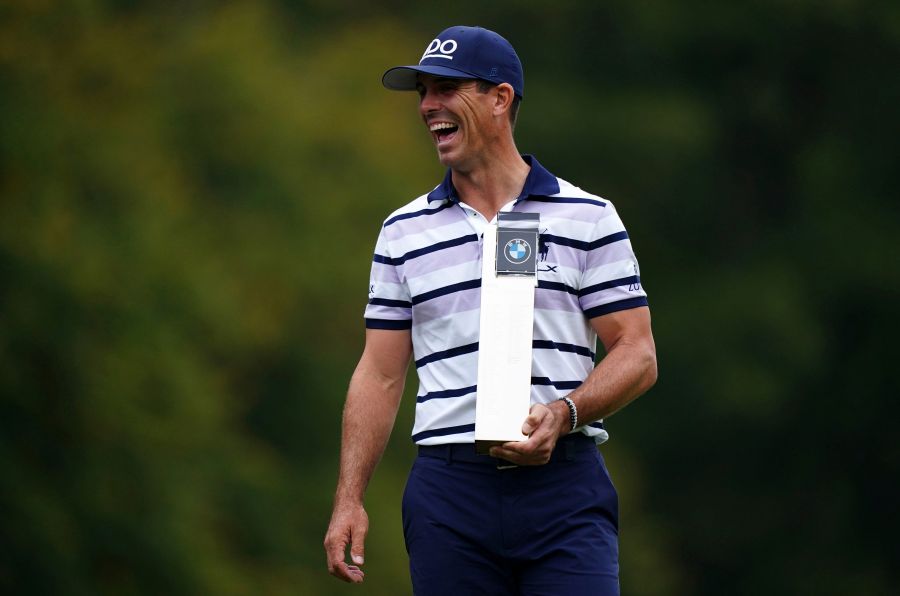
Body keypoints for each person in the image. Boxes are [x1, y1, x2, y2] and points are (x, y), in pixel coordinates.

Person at [324, 25, 657, 595]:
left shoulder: (588, 216)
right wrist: (349, 498)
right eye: (424, 92)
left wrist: (567, 411)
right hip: (448, 492)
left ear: (500, 98)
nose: (429, 106)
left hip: (565, 485)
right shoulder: (404, 231)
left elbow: (638, 352)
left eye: (448, 89)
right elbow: (379, 374)